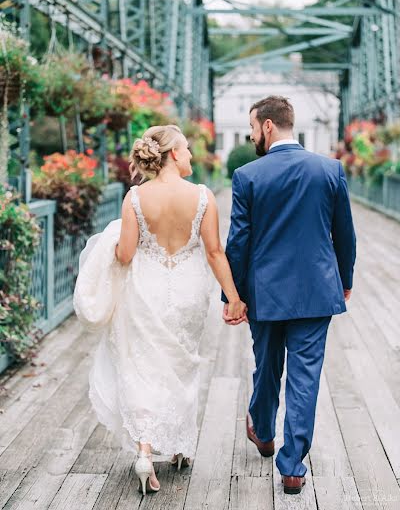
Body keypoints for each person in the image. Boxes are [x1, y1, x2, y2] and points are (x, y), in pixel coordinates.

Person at [73, 124, 247, 496]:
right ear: (172, 154)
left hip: (145, 291)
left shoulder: (136, 198)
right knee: (182, 365)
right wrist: (233, 297)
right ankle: (181, 446)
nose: (189, 156)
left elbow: (124, 254)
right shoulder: (202, 197)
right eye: (185, 150)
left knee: (143, 368)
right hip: (187, 291)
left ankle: (145, 452)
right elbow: (215, 253)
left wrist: (114, 235)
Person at [222, 96, 356, 495]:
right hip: (317, 290)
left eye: (251, 128)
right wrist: (344, 278)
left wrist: (233, 294)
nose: (249, 136)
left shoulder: (248, 176)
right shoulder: (329, 170)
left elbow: (238, 242)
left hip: (264, 293)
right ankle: (293, 467)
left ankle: (263, 432)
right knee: (305, 376)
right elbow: (344, 233)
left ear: (266, 126)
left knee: (266, 366)